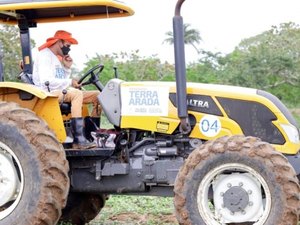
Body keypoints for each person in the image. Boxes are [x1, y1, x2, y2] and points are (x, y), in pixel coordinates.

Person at [32, 30, 100, 149]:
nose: (68, 49)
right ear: (59, 42)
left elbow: (61, 80)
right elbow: (46, 81)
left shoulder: (56, 58)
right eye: (68, 46)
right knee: (76, 94)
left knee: (98, 95)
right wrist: (70, 82)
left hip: (59, 91)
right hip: (47, 93)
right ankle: (78, 140)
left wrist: (67, 68)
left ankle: (93, 133)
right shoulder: (44, 56)